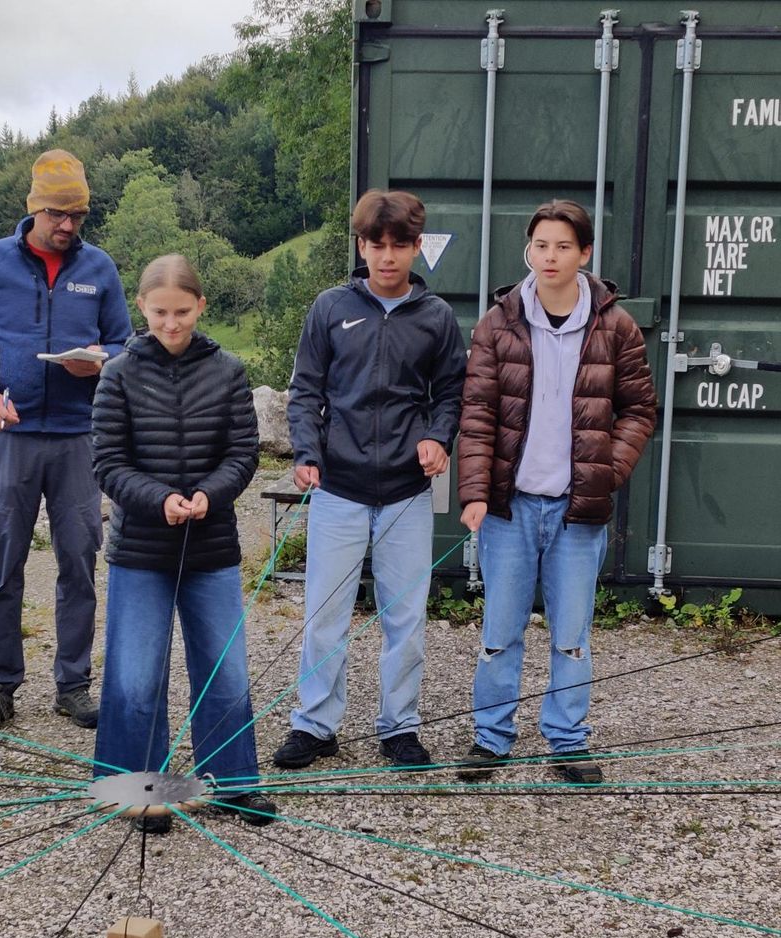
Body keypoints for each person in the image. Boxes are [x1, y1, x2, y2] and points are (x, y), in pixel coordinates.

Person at [456, 198, 657, 784]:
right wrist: (475, 490)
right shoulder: (498, 323)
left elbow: (639, 409)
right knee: (500, 633)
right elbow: (477, 414)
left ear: (584, 253)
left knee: (571, 637)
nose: (550, 256)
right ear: (529, 250)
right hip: (509, 508)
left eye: (564, 246)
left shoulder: (616, 326)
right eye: (540, 245)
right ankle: (491, 739)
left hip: (576, 512)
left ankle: (567, 740)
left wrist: (606, 471)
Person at [273, 189, 466, 772]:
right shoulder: (330, 308)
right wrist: (307, 452)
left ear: (417, 247)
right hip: (338, 488)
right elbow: (305, 391)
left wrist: (439, 437)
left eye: (399, 245)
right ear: (361, 246)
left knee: (405, 618)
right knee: (325, 615)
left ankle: (399, 728)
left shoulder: (437, 317)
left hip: (408, 492)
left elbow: (451, 393)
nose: (387, 256)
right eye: (376, 244)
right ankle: (314, 725)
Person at [91, 254, 276, 833]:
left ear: (201, 306)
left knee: (225, 674)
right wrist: (159, 498)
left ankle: (234, 784)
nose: (171, 324)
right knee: (135, 677)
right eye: (159, 313)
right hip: (141, 549)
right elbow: (107, 462)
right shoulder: (117, 374)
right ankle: (138, 790)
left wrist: (208, 495)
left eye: (182, 312)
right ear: (141, 309)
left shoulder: (229, 371)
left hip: (211, 545)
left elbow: (243, 453)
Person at [0, 149, 131, 734]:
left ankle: (73, 685)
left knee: (79, 561)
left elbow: (127, 344)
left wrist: (101, 359)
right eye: (57, 214)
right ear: (34, 209)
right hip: (11, 435)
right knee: (4, 561)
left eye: (77, 215)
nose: (68, 225)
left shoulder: (99, 268)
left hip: (80, 437)